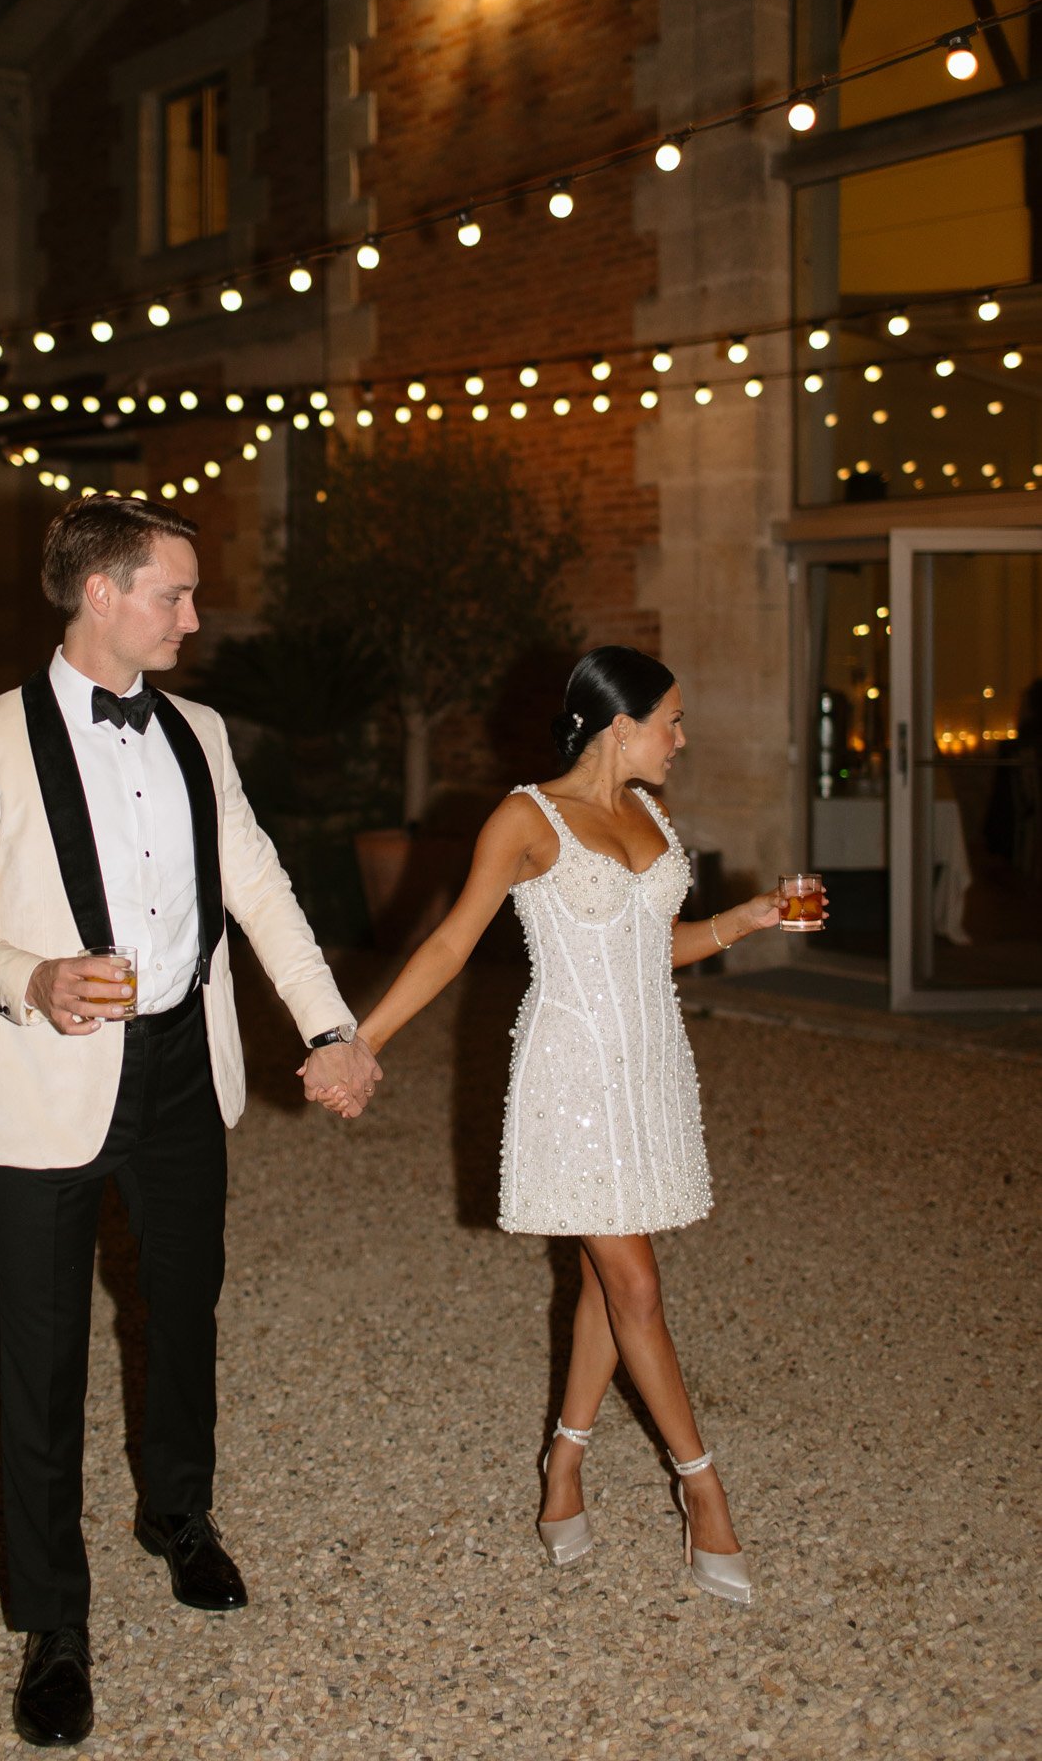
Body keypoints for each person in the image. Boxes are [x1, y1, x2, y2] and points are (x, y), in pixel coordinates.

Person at [0, 496, 380, 1747]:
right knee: (42, 1358)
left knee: (185, 1307)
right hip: (48, 1079)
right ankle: (53, 1620)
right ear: (99, 593)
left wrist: (331, 1026)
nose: (193, 614)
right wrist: (32, 977)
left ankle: (178, 1514)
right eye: (173, 591)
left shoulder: (201, 731)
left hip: (180, 1070)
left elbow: (258, 883)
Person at [337, 646, 799, 1607]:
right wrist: (358, 1040)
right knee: (633, 1278)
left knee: (602, 1273)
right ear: (617, 724)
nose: (680, 738)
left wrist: (747, 920)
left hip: (653, 1070)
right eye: (669, 721)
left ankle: (563, 1467)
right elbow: (452, 940)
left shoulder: (648, 813)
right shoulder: (525, 818)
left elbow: (651, 947)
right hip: (572, 1077)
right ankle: (702, 1489)